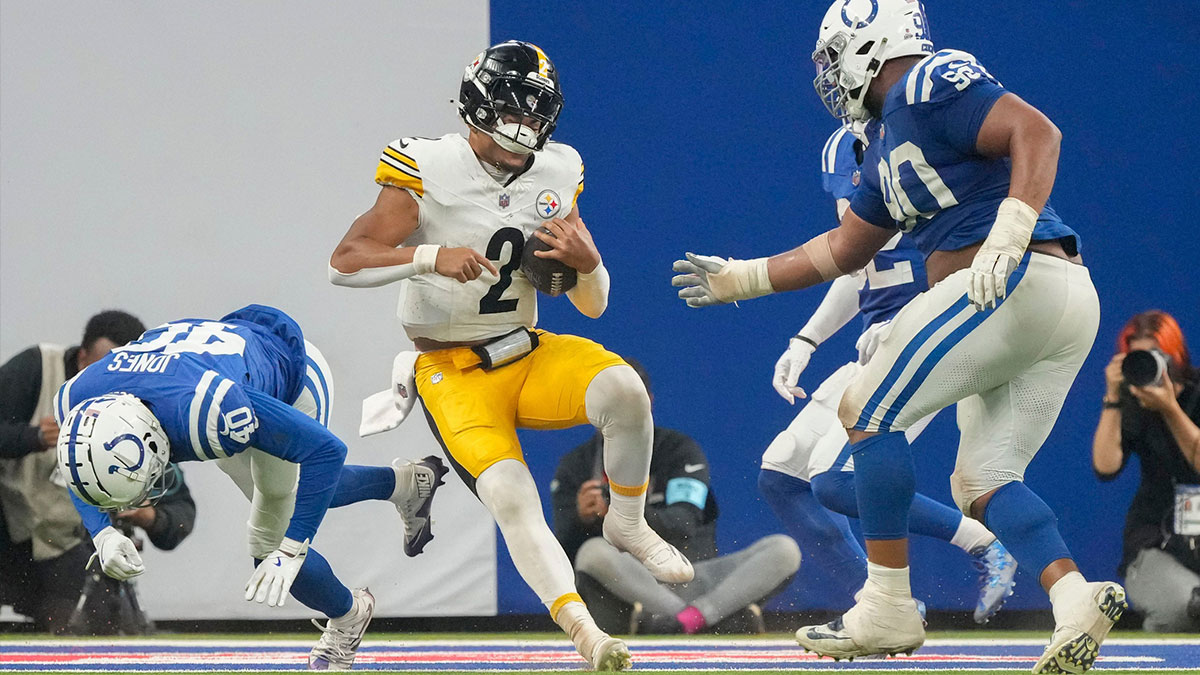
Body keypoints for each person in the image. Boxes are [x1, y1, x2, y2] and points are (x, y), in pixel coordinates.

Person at [671, 1, 1124, 671]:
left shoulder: (928, 83)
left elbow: (1038, 132)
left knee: (865, 408)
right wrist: (745, 279)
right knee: (983, 478)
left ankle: (886, 604)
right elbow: (846, 247)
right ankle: (1073, 597)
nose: (828, 76)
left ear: (869, 45)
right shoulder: (887, 138)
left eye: (833, 59)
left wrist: (1011, 224)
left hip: (1005, 280)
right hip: (1054, 298)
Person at [328, 41, 692, 671]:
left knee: (626, 389)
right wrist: (426, 256)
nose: (525, 126)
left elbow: (593, 305)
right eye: (513, 108)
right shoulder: (426, 165)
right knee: (510, 493)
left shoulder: (557, 171)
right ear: (477, 103)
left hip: (526, 350)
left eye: (536, 111)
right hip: (452, 369)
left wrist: (590, 264)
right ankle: (586, 633)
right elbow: (345, 262)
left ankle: (627, 521)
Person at [54, 304, 447, 669]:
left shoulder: (208, 410)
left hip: (289, 375)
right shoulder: (77, 399)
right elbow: (78, 463)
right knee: (289, 490)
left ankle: (349, 615)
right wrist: (101, 531)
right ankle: (408, 483)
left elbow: (325, 452)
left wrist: (294, 548)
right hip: (215, 375)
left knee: (271, 539)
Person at [756, 126, 1016, 624]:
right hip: (874, 349)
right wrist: (805, 341)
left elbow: (968, 266)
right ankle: (884, 606)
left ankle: (983, 543)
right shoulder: (841, 144)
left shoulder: (935, 156)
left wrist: (913, 320)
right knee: (782, 475)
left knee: (833, 480)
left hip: (926, 345)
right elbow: (859, 268)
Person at [552, 358, 801, 635]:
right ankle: (707, 620)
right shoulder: (576, 464)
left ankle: (681, 620)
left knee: (783, 549)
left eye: (628, 399)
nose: (618, 409)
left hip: (695, 576)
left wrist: (618, 508)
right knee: (593, 552)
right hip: (633, 584)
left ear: (648, 401)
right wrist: (581, 519)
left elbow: (683, 524)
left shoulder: (679, 450)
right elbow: (562, 554)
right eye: (607, 401)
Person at [0, 310, 167, 634]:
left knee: (90, 628)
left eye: (123, 373)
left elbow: (179, 511)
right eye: (102, 367)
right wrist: (30, 437)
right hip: (6, 527)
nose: (110, 382)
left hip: (65, 548)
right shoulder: (35, 368)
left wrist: (152, 517)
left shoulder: (142, 412)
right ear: (81, 357)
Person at [1093, 310, 1200, 632]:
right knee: (1187, 607)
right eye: (1138, 355)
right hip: (1156, 536)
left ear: (1175, 355)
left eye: (1156, 355)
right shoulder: (1132, 400)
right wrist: (1113, 397)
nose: (1149, 364)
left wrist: (1170, 409)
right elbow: (1105, 467)